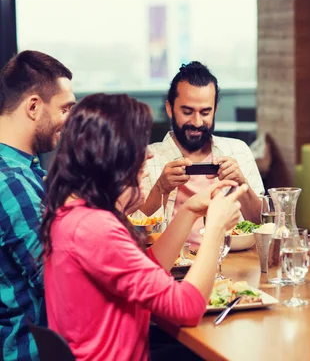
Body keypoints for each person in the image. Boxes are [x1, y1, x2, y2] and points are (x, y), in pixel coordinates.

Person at [40, 93, 247, 360]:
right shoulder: (94, 228)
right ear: (113, 157)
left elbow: (146, 268)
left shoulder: (74, 213)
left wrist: (189, 211)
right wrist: (216, 229)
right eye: (139, 147)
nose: (148, 156)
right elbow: (187, 308)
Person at [137, 61, 263, 249]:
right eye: (187, 112)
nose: (197, 122)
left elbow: (263, 223)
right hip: (172, 265)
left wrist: (242, 185)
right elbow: (134, 233)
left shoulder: (239, 151)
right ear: (170, 109)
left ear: (215, 110)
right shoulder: (146, 159)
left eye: (205, 112)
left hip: (233, 262)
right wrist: (160, 189)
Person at [0, 50, 75, 361]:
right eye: (65, 109)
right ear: (33, 106)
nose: (69, 121)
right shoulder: (10, 181)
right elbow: (60, 283)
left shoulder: (28, 171)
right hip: (31, 352)